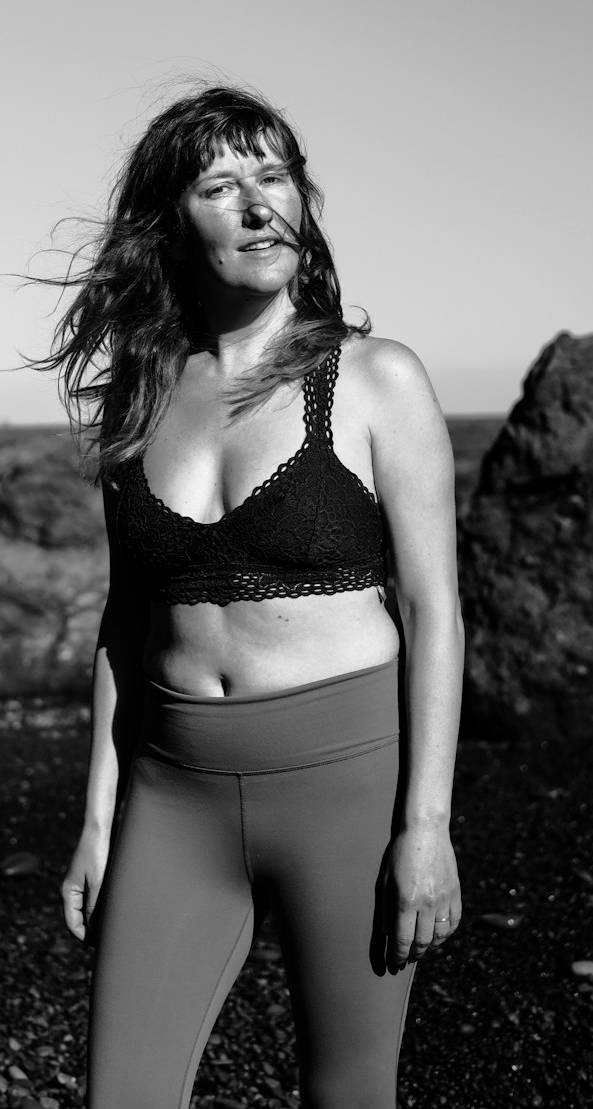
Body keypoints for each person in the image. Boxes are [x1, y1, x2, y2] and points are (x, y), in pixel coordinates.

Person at [45, 85, 463, 1109]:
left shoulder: (375, 380)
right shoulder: (139, 404)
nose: (256, 204)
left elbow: (434, 611)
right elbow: (124, 625)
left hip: (347, 786)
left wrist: (427, 827)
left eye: (273, 177)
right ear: (168, 226)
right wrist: (99, 822)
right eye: (221, 186)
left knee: (350, 1095)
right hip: (174, 790)